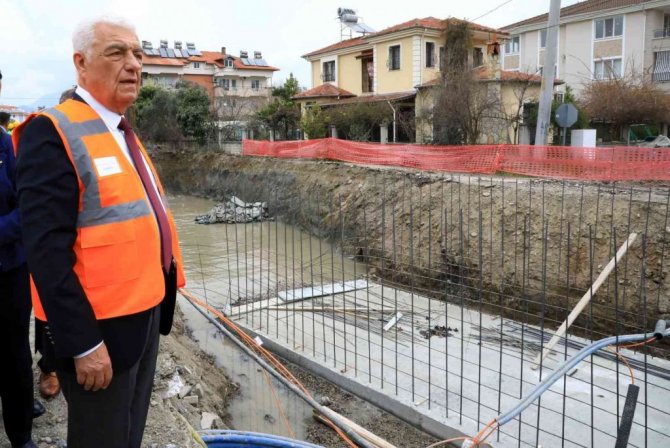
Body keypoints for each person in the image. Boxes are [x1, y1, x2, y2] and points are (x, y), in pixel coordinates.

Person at [14, 17, 186, 448]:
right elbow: (46, 252)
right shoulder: (52, 131)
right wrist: (83, 343)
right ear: (81, 62)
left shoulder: (122, 132)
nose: (134, 64)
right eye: (117, 53)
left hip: (145, 315)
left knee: (128, 433)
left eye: (138, 54)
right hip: (100, 331)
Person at [0, 72, 38, 448]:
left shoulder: (8, 146)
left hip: (10, 269)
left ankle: (21, 434)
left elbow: (28, 207)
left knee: (15, 355)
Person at [33, 87, 75, 401]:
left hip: (86, 253)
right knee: (48, 310)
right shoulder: (43, 150)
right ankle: (48, 366)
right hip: (51, 250)